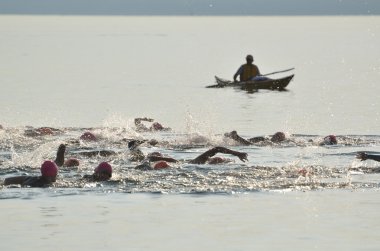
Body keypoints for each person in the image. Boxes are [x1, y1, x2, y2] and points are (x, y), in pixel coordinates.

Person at [135, 146, 248, 170]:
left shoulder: (193, 162)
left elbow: (149, 158)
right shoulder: (196, 162)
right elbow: (216, 149)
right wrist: (237, 153)